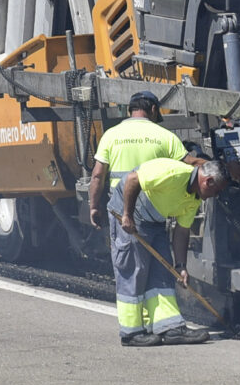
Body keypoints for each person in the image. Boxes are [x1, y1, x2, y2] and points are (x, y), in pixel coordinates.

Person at [86, 93, 199, 347]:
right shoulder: (164, 136)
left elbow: (97, 176)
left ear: (130, 110)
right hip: (154, 210)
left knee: (133, 269)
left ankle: (167, 326)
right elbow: (191, 166)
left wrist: (93, 206)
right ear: (153, 109)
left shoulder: (111, 135)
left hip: (124, 214)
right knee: (159, 269)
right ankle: (132, 332)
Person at [114, 155, 227, 347]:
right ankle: (131, 333)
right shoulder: (174, 173)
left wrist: (181, 265)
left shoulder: (194, 198)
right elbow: (133, 179)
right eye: (216, 191)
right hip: (131, 214)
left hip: (155, 222)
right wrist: (127, 215)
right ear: (208, 181)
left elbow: (182, 231)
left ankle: (170, 328)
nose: (215, 196)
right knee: (135, 270)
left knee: (163, 272)